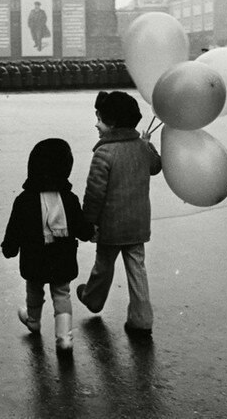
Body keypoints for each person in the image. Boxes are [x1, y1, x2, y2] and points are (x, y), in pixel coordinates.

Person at [76, 91, 162, 339]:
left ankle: (93, 299)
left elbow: (94, 193)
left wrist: (88, 223)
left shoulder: (104, 153)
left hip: (110, 227)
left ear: (111, 124)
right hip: (137, 225)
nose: (96, 124)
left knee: (103, 266)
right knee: (137, 270)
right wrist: (148, 144)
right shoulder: (141, 148)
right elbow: (156, 167)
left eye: (100, 119)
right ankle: (142, 319)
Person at [1, 138, 93, 353]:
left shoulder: (24, 200)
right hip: (63, 257)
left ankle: (33, 320)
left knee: (34, 287)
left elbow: (14, 228)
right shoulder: (69, 199)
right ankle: (64, 338)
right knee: (62, 293)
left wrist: (10, 248)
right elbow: (81, 226)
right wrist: (89, 233)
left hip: (34, 258)